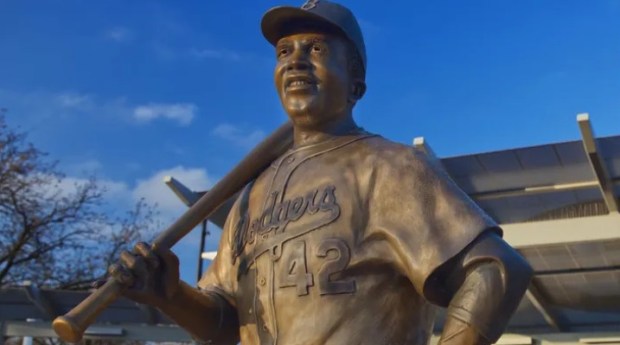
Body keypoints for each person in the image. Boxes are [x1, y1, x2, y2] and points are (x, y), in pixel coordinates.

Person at [108, 1, 533, 344]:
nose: (295, 62)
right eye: (284, 52)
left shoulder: (389, 167)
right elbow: (226, 323)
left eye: (316, 50)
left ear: (355, 84)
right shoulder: (249, 197)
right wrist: (169, 295)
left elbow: (495, 270)